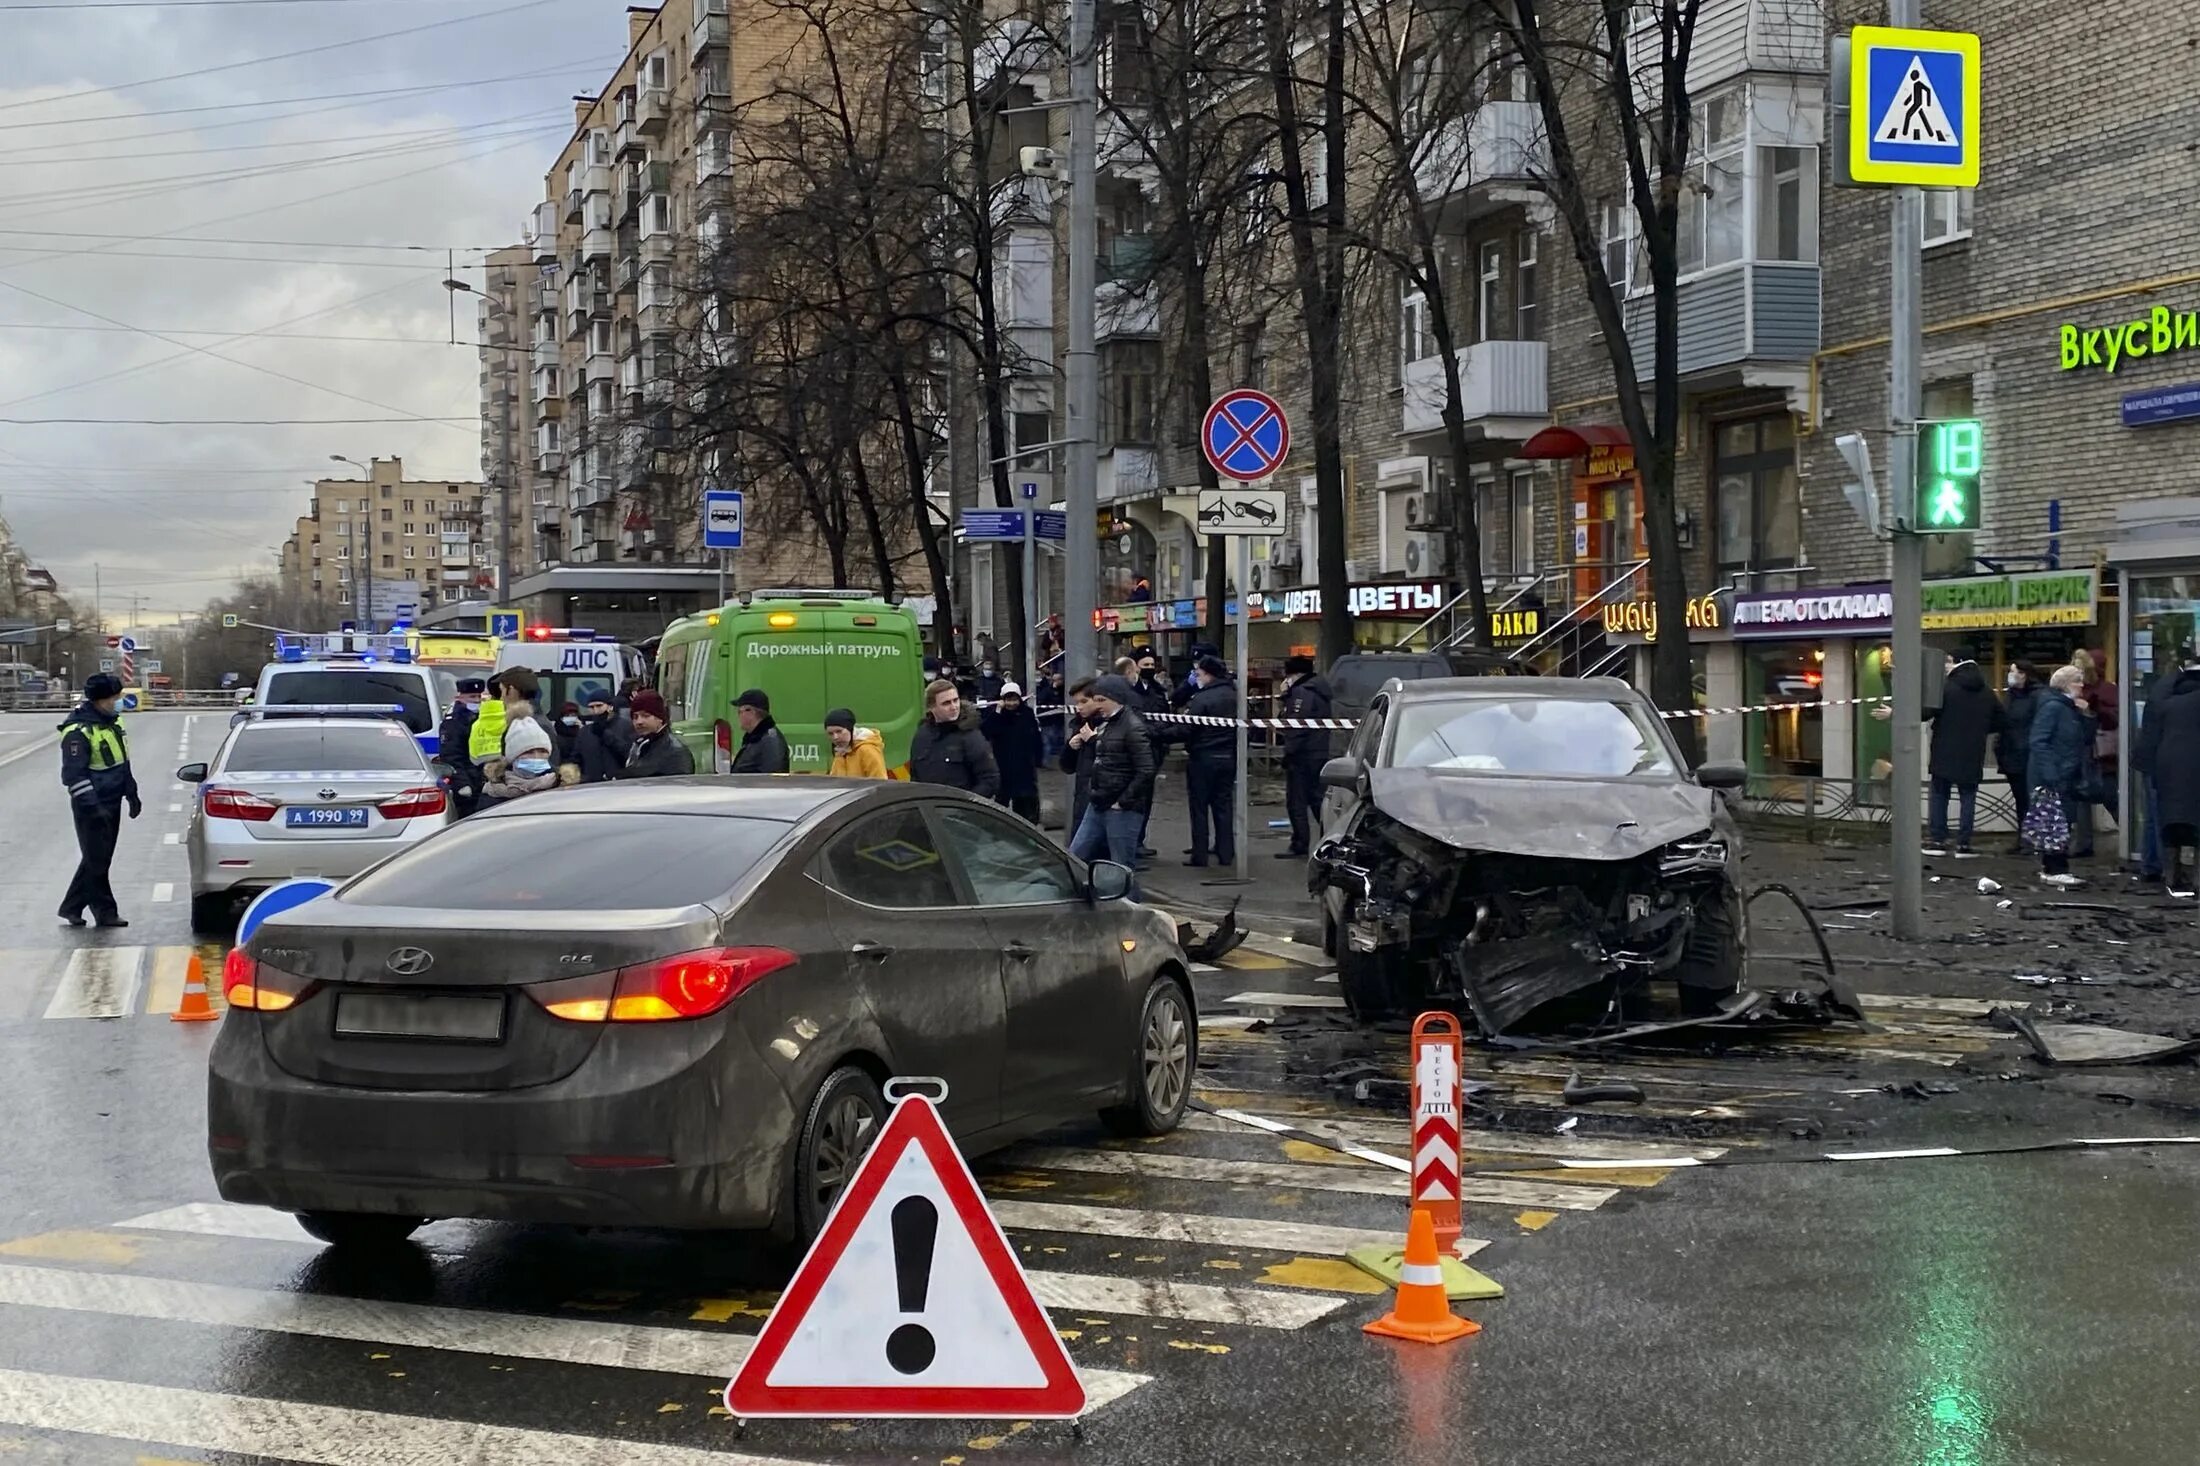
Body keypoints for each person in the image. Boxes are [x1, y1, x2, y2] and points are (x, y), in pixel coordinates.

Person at [56, 672, 139, 929]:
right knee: (97, 860)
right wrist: (93, 807)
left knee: (98, 858)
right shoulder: (78, 731)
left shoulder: (113, 722)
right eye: (115, 697)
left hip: (112, 800)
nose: (119, 702)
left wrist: (131, 792)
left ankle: (71, 906)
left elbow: (121, 762)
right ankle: (105, 912)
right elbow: (73, 776)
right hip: (91, 805)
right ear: (101, 700)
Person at [1071, 675, 1155, 884]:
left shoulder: (1133, 727)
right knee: (1075, 855)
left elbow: (1145, 769)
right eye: (1096, 700)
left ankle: (1131, 910)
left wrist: (1123, 801)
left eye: (1102, 700)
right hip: (1099, 802)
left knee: (1122, 866)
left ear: (1115, 699)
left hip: (1121, 808)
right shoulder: (1107, 724)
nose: (1098, 706)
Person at [1923, 654, 2002, 857]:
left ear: (1958, 662)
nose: (1946, 666)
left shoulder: (1946, 688)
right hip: (1973, 752)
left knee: (1940, 795)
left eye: (1949, 661)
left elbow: (1926, 712)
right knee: (1968, 797)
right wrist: (1979, 730)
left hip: (1944, 750)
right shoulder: (1986, 691)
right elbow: (2002, 719)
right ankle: (1964, 844)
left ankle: (1938, 840)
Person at [2140, 648, 2200, 898]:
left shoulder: (2167, 696)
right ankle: (2195, 879)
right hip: (2193, 766)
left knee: (2166, 822)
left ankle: (2169, 875)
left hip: (2164, 765)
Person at [2027, 664, 2093, 887]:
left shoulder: (2066, 707)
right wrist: (2051, 774)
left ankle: (2053, 866)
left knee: (2055, 821)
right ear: (2066, 684)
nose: (2082, 685)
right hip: (2055, 775)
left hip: (2063, 773)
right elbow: (2039, 740)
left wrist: (2086, 714)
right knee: (2056, 822)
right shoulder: (2054, 707)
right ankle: (2056, 868)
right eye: (2077, 681)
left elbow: (2085, 738)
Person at [1177, 654, 1240, 867]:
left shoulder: (1202, 699)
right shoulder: (1234, 695)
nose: (1197, 677)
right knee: (1223, 806)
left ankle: (1200, 855)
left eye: (1199, 674)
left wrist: (1158, 732)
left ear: (1209, 675)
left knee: (1199, 808)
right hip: (1227, 757)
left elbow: (1188, 728)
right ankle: (1226, 853)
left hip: (1203, 759)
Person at [1277, 654, 1333, 858]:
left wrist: (1289, 753)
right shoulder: (1318, 689)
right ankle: (1332, 839)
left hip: (1303, 755)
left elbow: (1296, 725)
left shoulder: (1302, 692)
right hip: (1317, 752)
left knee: (1297, 802)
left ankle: (1300, 844)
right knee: (1316, 800)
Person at [910, 678, 1000, 796]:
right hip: (929, 809)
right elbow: (915, 777)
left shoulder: (970, 736)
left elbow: (990, 780)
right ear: (931, 707)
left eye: (955, 700)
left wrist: (963, 806)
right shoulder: (922, 735)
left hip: (960, 810)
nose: (954, 707)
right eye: (946, 703)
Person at [2071, 647, 2120, 855]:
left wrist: (2092, 709)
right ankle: (2083, 843)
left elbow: (2114, 719)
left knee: (2109, 796)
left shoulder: (2107, 690)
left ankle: (2131, 838)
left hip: (2101, 755)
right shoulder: (2079, 690)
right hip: (2083, 751)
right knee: (2081, 797)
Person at [481, 669, 557, 802]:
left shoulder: (532, 723)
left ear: (511, 690)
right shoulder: (523, 719)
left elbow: (548, 767)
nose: (501, 698)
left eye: (502, 691)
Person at [981, 680, 1045, 822]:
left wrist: (1038, 758)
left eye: (1015, 700)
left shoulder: (1027, 714)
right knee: (1001, 799)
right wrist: (997, 712)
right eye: (1008, 700)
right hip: (1003, 764)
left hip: (1025, 765)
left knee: (1025, 800)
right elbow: (986, 731)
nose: (1012, 704)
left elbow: (1036, 737)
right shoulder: (996, 715)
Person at [1997, 661, 2040, 854]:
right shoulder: (2011, 696)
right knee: (2020, 799)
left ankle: (2031, 839)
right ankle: (2023, 837)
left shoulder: (2036, 696)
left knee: (2030, 799)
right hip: (2011, 754)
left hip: (2027, 755)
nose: (2010, 675)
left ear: (2024, 674)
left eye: (2013, 672)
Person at [611, 690, 694, 778]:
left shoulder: (675, 751)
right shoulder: (640, 744)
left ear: (660, 718)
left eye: (646, 716)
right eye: (635, 717)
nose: (639, 722)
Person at [438, 677, 486, 815]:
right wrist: (462, 784)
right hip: (468, 787)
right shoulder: (453, 722)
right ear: (460, 697)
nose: (477, 700)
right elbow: (451, 756)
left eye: (479, 696)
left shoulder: (483, 718)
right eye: (472, 696)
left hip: (483, 781)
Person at [1059, 677, 1100, 822]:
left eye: (1083, 702)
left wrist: (1093, 740)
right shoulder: (1079, 725)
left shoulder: (1108, 724)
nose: (1079, 707)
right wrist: (1070, 748)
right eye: (1077, 703)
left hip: (1103, 801)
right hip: (1083, 795)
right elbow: (1067, 767)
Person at [730, 688, 791, 773]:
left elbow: (773, 780)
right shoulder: (756, 739)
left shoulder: (770, 742)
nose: (738, 716)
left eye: (740, 712)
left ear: (751, 712)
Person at [574, 695, 630, 783]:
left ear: (610, 707)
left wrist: (606, 735)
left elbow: (629, 753)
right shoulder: (585, 731)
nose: (596, 711)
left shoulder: (625, 726)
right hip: (591, 784)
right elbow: (577, 758)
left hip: (619, 784)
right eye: (591, 707)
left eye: (599, 706)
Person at [824, 707, 888, 778]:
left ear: (850, 729)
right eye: (830, 733)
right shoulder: (841, 751)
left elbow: (879, 782)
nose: (835, 737)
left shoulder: (867, 750)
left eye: (839, 731)